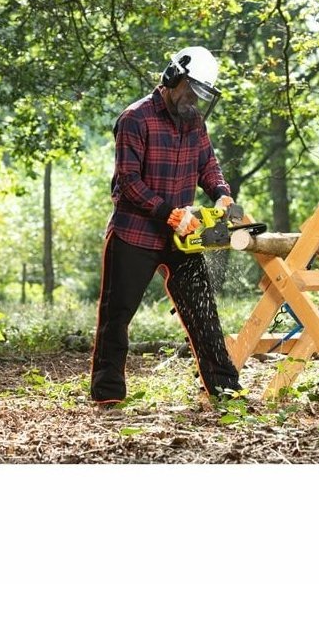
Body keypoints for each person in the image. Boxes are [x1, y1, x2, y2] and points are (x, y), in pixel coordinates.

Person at [90, 45, 244, 408]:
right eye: (191, 90)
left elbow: (208, 166)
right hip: (134, 233)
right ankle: (108, 394)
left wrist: (222, 194)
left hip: (182, 237)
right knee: (117, 315)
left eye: (201, 94)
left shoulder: (194, 121)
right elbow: (128, 182)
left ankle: (225, 389)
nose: (194, 99)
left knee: (203, 312)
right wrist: (169, 214)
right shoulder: (135, 118)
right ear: (173, 77)